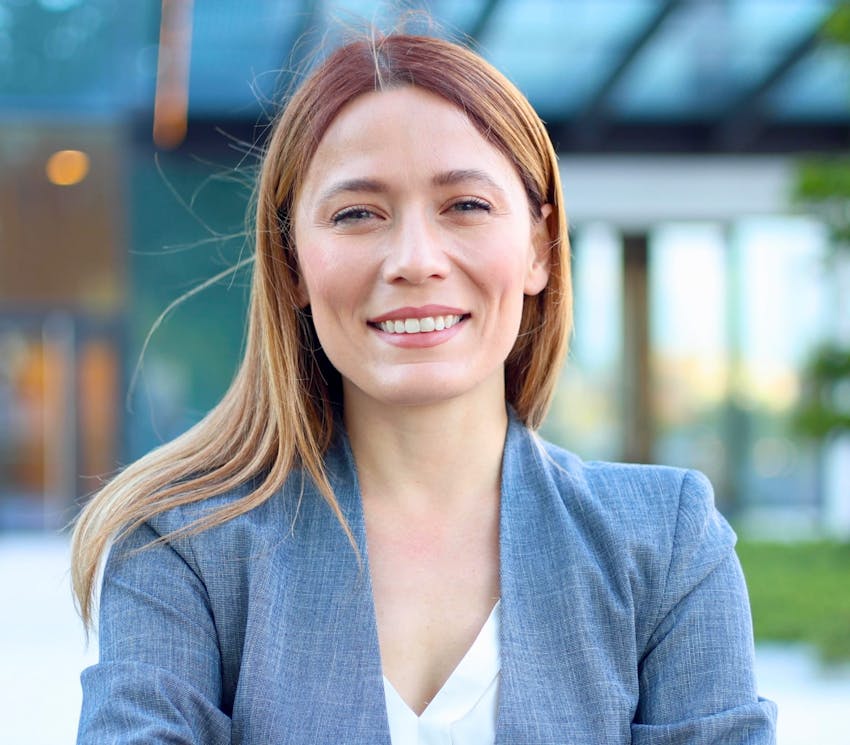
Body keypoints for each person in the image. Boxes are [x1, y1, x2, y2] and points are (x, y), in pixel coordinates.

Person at [72, 31, 777, 744]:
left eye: (465, 205)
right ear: (292, 267)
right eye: (357, 214)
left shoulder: (668, 541)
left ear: (539, 244)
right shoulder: (181, 544)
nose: (414, 260)